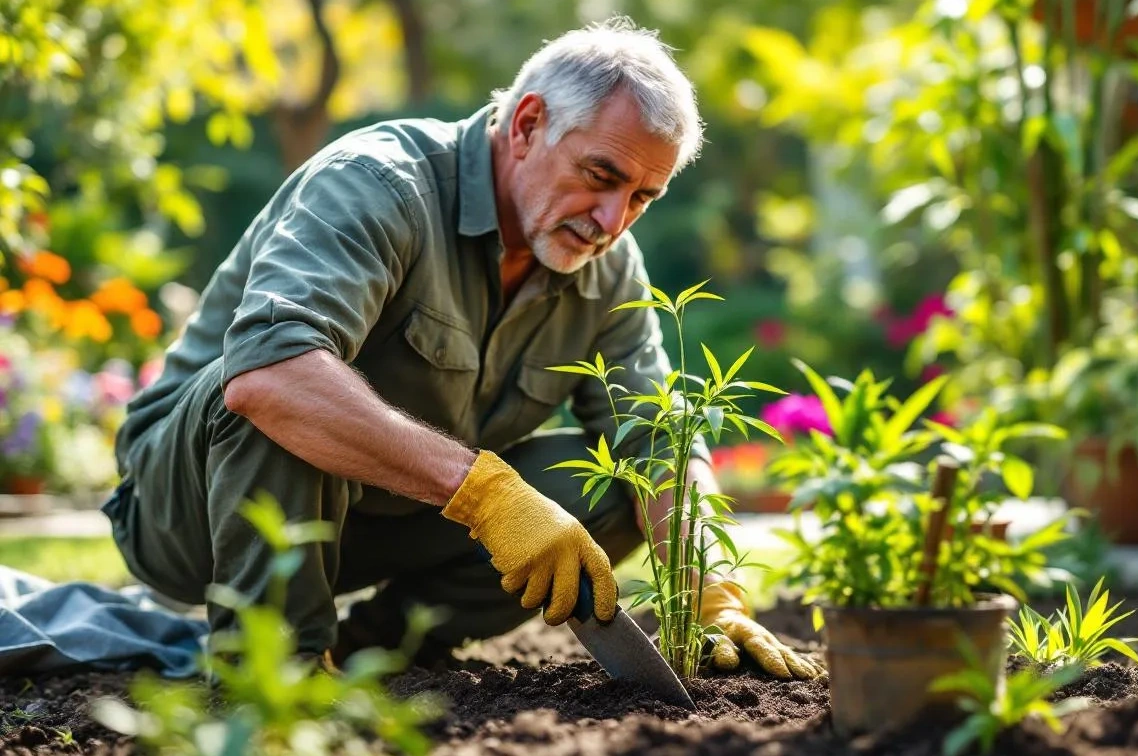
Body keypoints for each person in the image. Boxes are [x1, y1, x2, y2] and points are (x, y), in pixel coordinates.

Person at [104, 17, 819, 681]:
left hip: (375, 517)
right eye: (602, 176)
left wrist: (713, 589)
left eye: (642, 198)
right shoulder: (379, 184)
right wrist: (485, 494)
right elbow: (268, 382)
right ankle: (274, 677)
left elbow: (657, 441)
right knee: (285, 377)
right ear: (529, 124)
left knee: (601, 483)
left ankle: (379, 652)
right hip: (192, 510)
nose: (613, 219)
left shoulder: (608, 265)